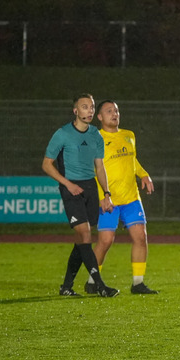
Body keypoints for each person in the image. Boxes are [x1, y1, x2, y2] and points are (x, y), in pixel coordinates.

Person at [42, 94, 119, 297]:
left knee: (81, 240)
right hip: (71, 188)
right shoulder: (62, 134)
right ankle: (100, 285)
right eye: (85, 107)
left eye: (92, 107)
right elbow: (46, 165)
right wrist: (68, 184)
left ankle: (66, 287)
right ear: (75, 111)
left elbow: (99, 167)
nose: (90, 110)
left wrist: (107, 194)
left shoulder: (96, 135)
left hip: (90, 188)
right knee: (85, 235)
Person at [83, 100, 158, 295]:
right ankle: (92, 281)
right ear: (100, 117)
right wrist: (103, 197)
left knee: (141, 237)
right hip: (109, 200)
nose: (114, 113)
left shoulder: (129, 135)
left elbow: (132, 160)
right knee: (105, 241)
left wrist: (143, 174)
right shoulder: (96, 139)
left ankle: (138, 283)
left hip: (131, 198)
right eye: (109, 111)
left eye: (116, 110)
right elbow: (93, 171)